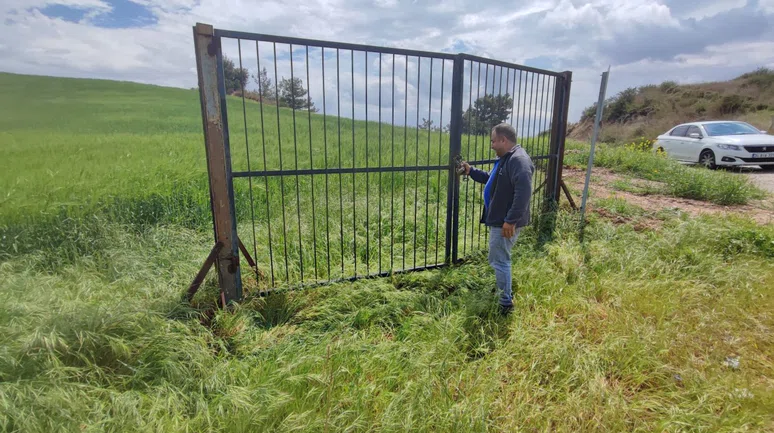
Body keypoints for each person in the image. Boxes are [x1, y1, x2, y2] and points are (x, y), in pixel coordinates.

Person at [460, 123, 535, 315]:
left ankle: (505, 303)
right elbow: (493, 179)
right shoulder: (506, 158)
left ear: (504, 140)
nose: (492, 145)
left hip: (506, 221)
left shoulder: (519, 160)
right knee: (500, 258)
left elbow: (524, 193)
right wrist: (471, 171)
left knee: (500, 260)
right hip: (502, 219)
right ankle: (504, 291)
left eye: (494, 141)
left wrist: (511, 220)